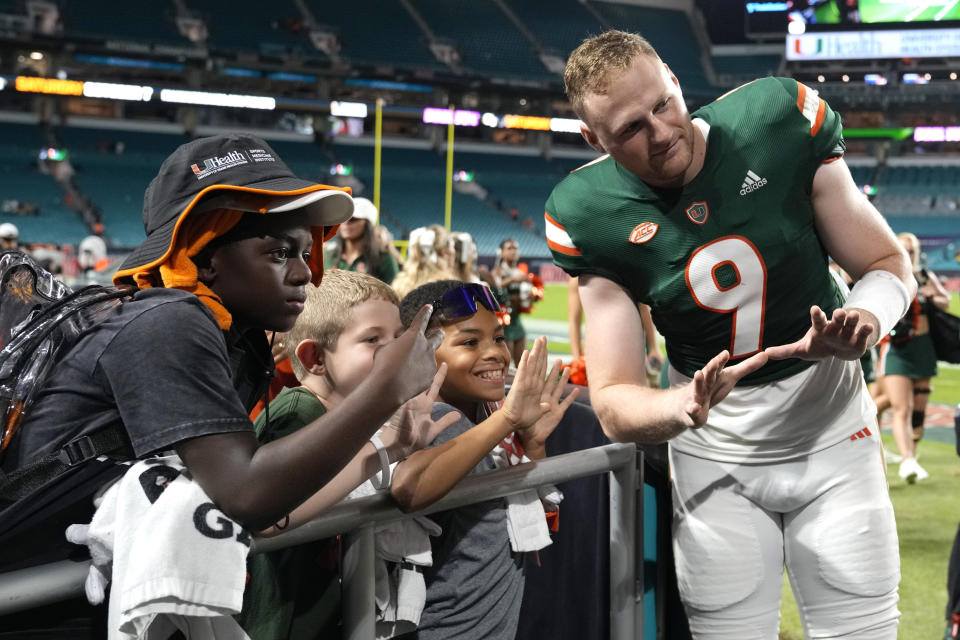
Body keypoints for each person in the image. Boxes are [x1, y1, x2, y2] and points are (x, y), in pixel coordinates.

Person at [545, 31, 915, 638]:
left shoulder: (777, 119)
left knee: (862, 626)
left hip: (831, 430)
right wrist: (681, 404)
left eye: (663, 104)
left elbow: (886, 264)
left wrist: (867, 320)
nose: (661, 132)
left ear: (674, 77)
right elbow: (612, 400)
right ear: (594, 140)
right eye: (631, 129)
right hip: (715, 451)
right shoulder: (589, 211)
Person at [1, 134, 442, 636]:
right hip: (35, 599)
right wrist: (384, 388)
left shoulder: (229, 336)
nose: (305, 274)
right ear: (201, 257)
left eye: (305, 251)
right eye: (279, 252)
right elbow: (245, 495)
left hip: (70, 585)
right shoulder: (169, 319)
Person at [239, 269, 459, 639]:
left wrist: (394, 444)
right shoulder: (298, 411)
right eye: (373, 339)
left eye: (397, 338)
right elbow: (271, 514)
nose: (394, 352)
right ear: (315, 359)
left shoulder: (349, 418)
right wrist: (386, 445)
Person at [391, 280, 578, 640]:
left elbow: (524, 523)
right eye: (470, 342)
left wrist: (532, 444)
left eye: (498, 338)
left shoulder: (481, 415)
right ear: (419, 354)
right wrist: (506, 420)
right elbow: (408, 490)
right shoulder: (443, 421)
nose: (495, 353)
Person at [872, 232, 951, 483]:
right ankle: (907, 460)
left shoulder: (925, 277)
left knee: (917, 408)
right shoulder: (889, 276)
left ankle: (910, 457)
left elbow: (945, 301)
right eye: (904, 249)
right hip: (897, 348)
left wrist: (931, 295)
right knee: (902, 407)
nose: (909, 254)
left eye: (912, 250)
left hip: (923, 348)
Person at [324, 196, 399, 284]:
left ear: (368, 225)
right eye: (344, 218)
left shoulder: (384, 259)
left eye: (353, 219)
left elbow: (392, 295)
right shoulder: (328, 256)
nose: (346, 223)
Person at [491, 238, 530, 367]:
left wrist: (530, 296)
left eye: (515, 248)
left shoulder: (520, 272)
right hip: (504, 323)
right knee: (505, 361)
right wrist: (512, 279)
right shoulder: (498, 271)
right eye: (509, 248)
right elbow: (495, 286)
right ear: (501, 252)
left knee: (522, 361)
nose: (513, 251)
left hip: (517, 319)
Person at [391, 224, 457, 299]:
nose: (454, 252)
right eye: (453, 247)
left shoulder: (400, 282)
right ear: (444, 253)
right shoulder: (446, 284)